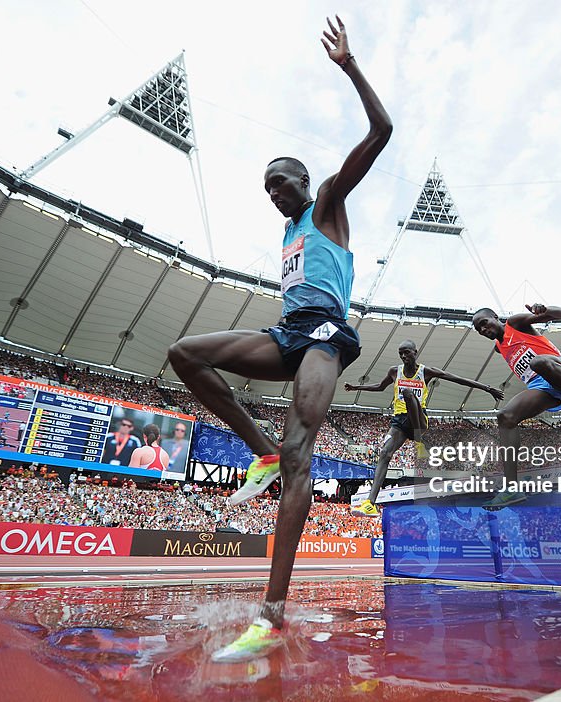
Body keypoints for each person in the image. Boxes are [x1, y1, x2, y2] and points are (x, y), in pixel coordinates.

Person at [168, 15, 391, 662]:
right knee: (186, 355)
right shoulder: (287, 233)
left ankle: (270, 615)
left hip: (325, 336)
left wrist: (349, 67)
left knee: (303, 455)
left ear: (302, 178)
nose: (273, 193)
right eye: (266, 187)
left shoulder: (324, 205)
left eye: (280, 181)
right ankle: (259, 449)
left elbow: (382, 133)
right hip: (287, 331)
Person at [471, 304, 561, 504]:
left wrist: (543, 310)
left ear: (496, 317)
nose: (483, 330)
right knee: (505, 417)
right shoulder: (499, 348)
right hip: (543, 387)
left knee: (538, 363)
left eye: (484, 323)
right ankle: (511, 488)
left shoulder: (515, 323)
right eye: (478, 330)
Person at [344, 339, 503, 516]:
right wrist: (356, 387)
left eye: (407, 352)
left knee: (407, 393)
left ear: (415, 352)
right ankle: (370, 504)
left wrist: (487, 388)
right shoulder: (394, 371)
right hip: (400, 423)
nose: (404, 356)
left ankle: (420, 441)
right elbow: (380, 387)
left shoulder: (425, 372)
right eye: (401, 353)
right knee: (384, 453)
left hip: (419, 420)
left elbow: (457, 379)